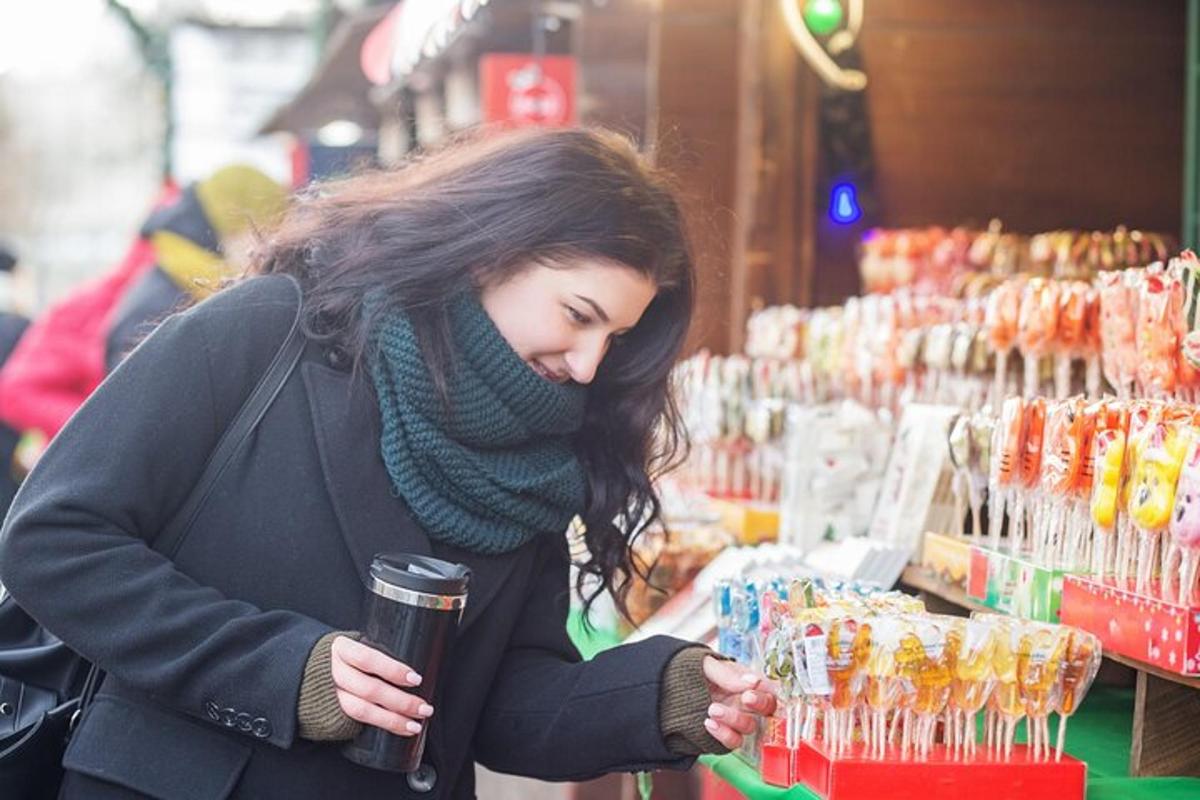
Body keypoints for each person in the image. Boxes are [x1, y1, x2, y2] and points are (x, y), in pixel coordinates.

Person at [0, 128, 776, 799]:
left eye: (616, 339)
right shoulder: (271, 329)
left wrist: (657, 697)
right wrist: (284, 672)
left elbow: (492, 699)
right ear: (492, 251)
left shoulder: (540, 452)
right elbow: (54, 540)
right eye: (579, 316)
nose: (586, 364)